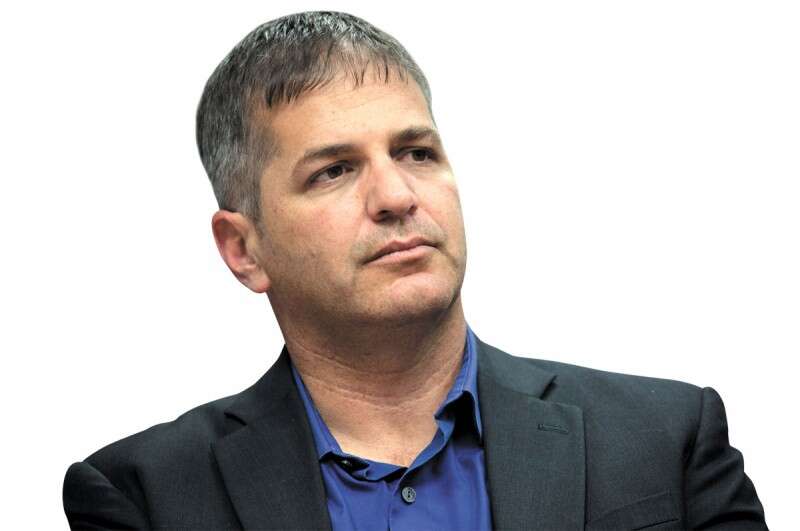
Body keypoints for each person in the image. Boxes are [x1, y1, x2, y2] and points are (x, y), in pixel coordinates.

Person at [62, 11, 767, 530]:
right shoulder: (144, 497)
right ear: (244, 249)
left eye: (417, 153)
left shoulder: (666, 439)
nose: (397, 196)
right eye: (334, 171)